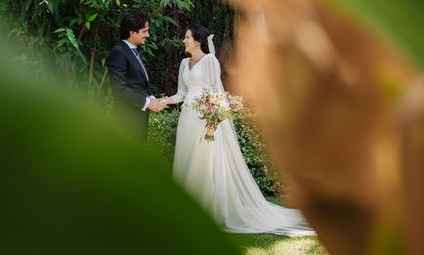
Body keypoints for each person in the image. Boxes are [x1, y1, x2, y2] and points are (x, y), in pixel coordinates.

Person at [163, 25, 314, 236]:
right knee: (186, 160)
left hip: (205, 121)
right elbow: (181, 93)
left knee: (203, 164)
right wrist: (163, 101)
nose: (183, 40)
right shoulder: (183, 63)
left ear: (197, 40)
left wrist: (213, 120)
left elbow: (216, 92)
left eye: (187, 37)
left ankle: (206, 210)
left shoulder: (210, 61)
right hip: (187, 119)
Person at [107, 13, 166, 141]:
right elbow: (119, 89)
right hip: (126, 121)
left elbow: (141, 84)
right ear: (132, 32)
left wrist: (153, 99)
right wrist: (147, 103)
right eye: (144, 31)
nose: (148, 35)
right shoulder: (119, 53)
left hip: (139, 119)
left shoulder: (134, 52)